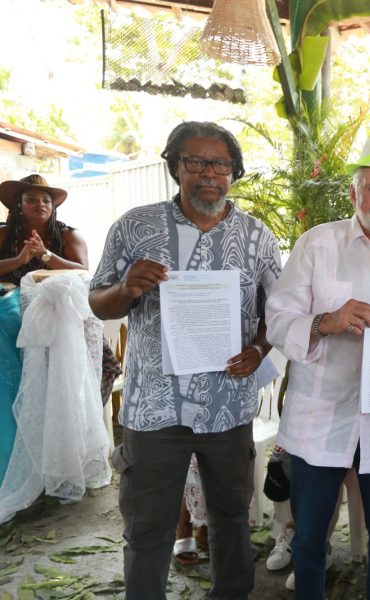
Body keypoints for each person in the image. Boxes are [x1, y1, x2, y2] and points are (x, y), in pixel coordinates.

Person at [88, 121, 281, 599]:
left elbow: (279, 311)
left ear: (234, 172)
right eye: (194, 161)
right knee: (148, 528)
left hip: (228, 405)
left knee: (232, 518)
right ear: (175, 167)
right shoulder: (135, 226)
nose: (208, 173)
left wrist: (258, 350)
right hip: (155, 408)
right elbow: (97, 303)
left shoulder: (257, 236)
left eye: (219, 163)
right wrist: (126, 287)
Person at [265, 133, 370, 600]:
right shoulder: (318, 244)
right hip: (321, 422)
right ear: (354, 193)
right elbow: (277, 319)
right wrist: (327, 321)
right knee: (311, 538)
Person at [0, 174, 89, 505]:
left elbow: (84, 271)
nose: (40, 205)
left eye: (46, 200)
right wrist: (20, 260)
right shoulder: (4, 235)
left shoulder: (68, 234)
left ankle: (62, 458)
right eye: (31, 199)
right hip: (11, 319)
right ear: (18, 206)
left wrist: (46, 256)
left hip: (60, 322)